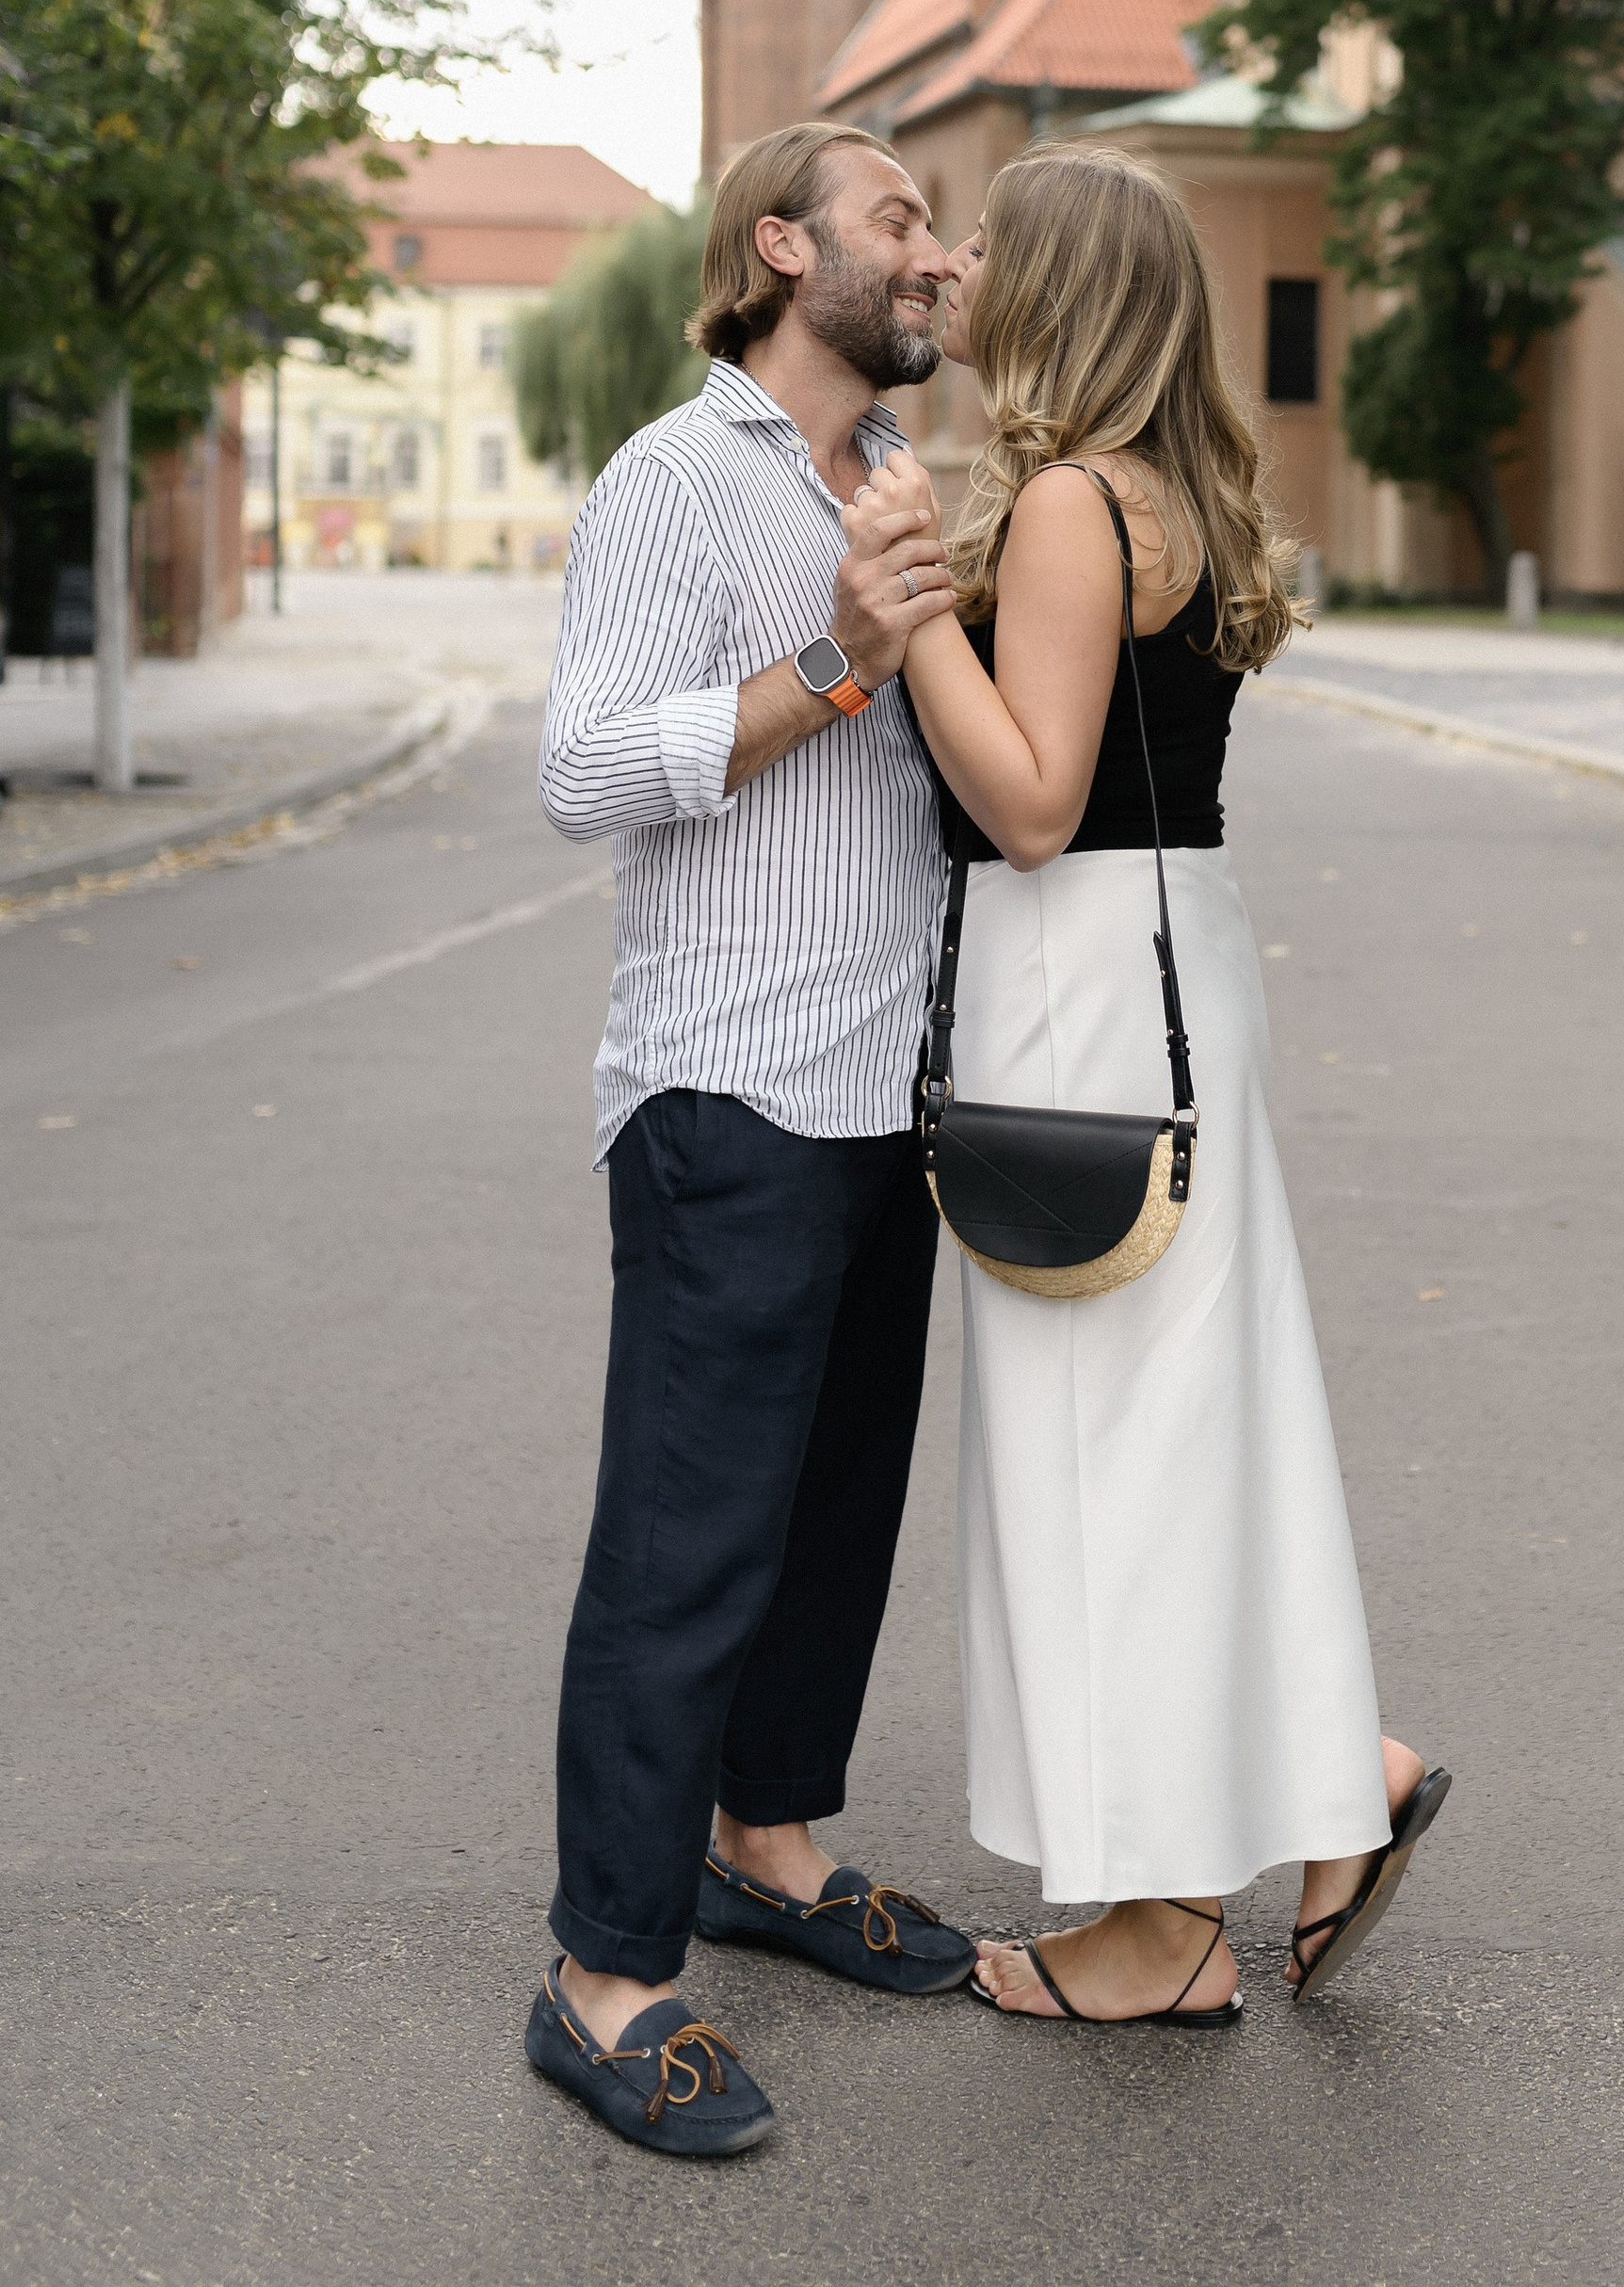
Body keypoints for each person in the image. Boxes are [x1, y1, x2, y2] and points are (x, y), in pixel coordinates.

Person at [864, 145, 1449, 2026]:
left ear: (1050, 289)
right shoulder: (1172, 490)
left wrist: (907, 621)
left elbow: (1028, 803)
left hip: (1080, 976)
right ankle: (1321, 1778)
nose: (954, 272)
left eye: (985, 252)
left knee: (1090, 1456)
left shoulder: (1056, 508)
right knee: (1194, 1427)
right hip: (1178, 955)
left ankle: (1156, 1925)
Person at [522, 122, 973, 2158]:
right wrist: (842, 656)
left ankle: (765, 1848)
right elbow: (588, 766)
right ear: (783, 249)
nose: (933, 255)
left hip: (891, 1087)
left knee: (831, 1517)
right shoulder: (670, 478)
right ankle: (606, 1973)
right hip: (724, 1084)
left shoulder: (892, 478)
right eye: (900, 220)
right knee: (684, 1546)